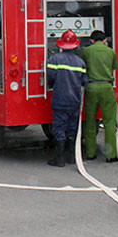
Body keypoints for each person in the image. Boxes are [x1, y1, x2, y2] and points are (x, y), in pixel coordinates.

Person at [46, 29, 88, 167]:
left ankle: (59, 159)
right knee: (72, 128)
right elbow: (84, 81)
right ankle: (71, 157)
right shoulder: (80, 62)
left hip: (60, 100)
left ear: (61, 45)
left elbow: (50, 78)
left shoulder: (54, 60)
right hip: (75, 101)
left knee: (59, 128)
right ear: (76, 45)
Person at [79, 30, 118, 162]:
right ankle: (111, 154)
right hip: (107, 87)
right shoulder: (111, 51)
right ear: (104, 40)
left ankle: (91, 153)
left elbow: (83, 68)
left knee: (90, 121)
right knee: (109, 122)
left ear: (91, 40)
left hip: (91, 87)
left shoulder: (86, 51)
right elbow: (114, 68)